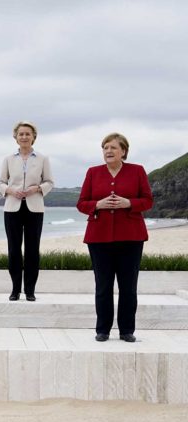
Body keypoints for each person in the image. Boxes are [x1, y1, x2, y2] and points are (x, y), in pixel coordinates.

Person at [77, 133, 152, 343]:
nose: (108, 151)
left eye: (113, 148)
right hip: (98, 238)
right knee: (103, 286)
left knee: (128, 286)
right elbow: (82, 203)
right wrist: (97, 205)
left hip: (131, 237)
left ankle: (127, 330)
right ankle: (103, 330)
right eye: (105, 148)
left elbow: (148, 200)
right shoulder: (93, 172)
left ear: (124, 151)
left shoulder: (137, 171)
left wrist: (129, 203)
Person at [0, 121, 54, 302]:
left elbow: (49, 182)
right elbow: (0, 182)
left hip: (34, 208)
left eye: (27, 134)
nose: (24, 137)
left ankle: (30, 290)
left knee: (32, 250)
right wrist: (10, 190)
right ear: (16, 137)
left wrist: (37, 188)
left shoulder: (42, 159)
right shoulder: (8, 159)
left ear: (33, 137)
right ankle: (15, 289)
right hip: (12, 208)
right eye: (21, 134)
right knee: (14, 249)